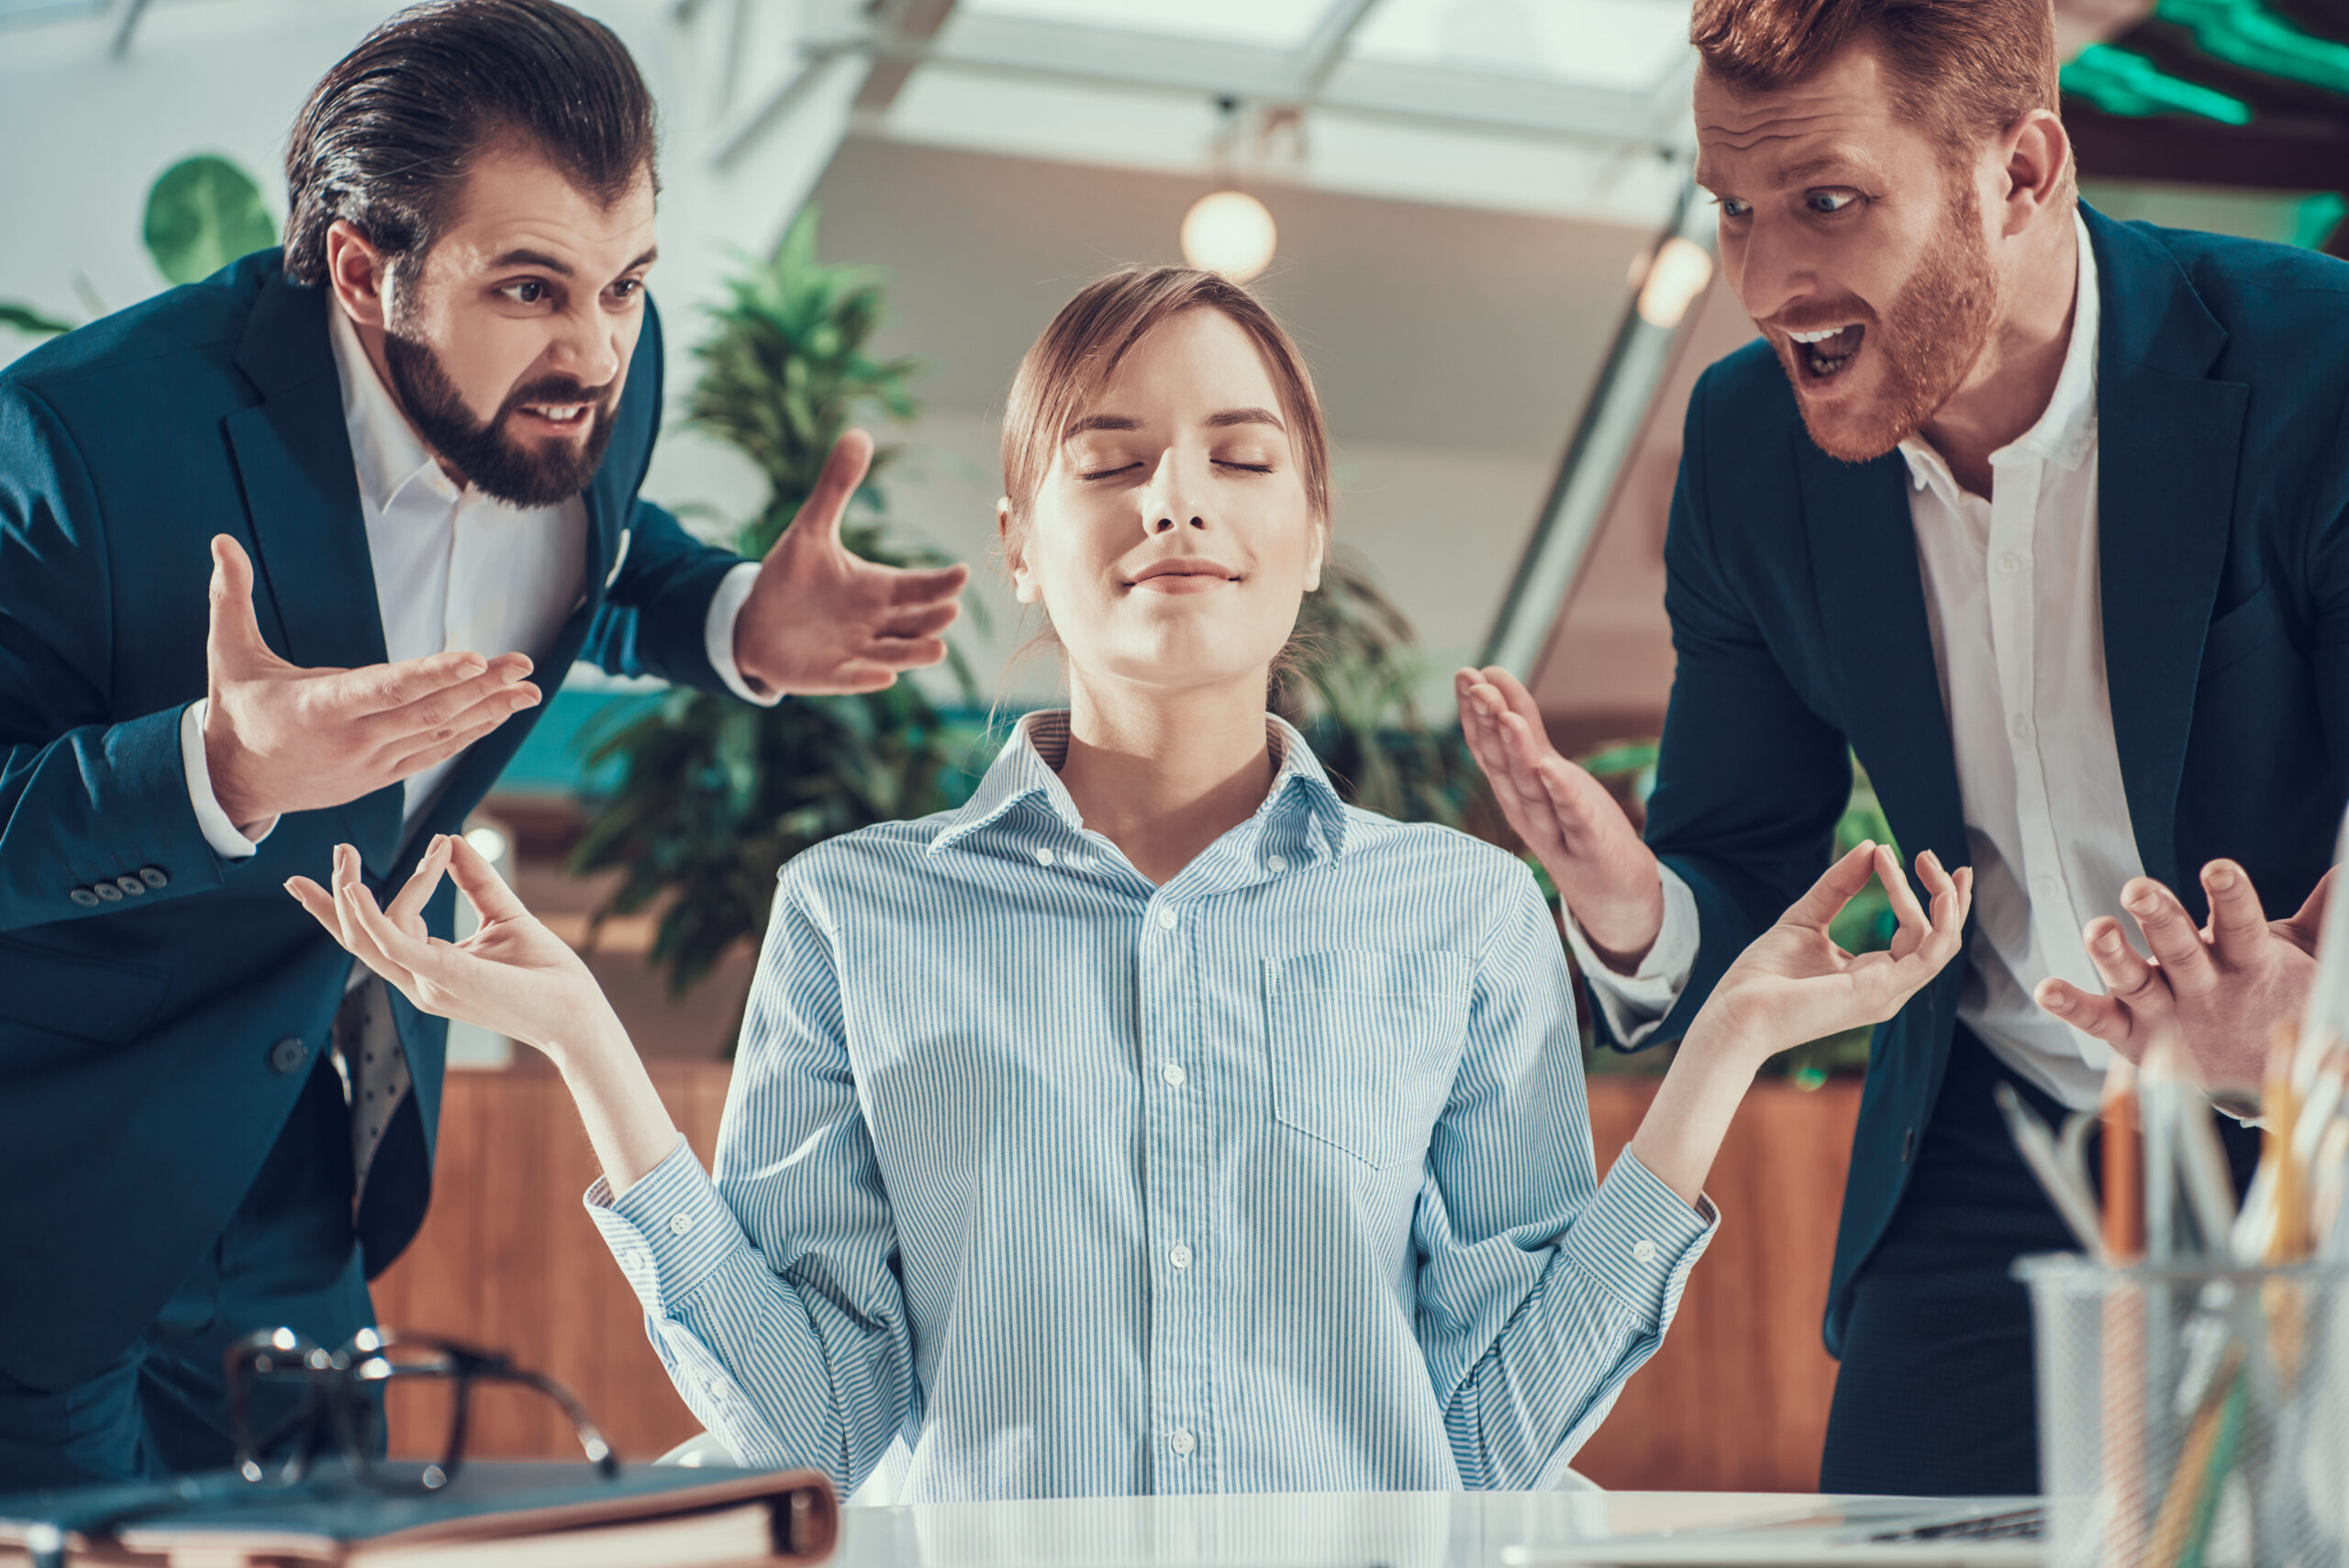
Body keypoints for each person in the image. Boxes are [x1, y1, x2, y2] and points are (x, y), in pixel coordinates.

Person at [290, 264, 1971, 1501]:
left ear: (1311, 529)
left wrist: (1722, 1049)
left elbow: (1484, 1435)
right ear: (1022, 538)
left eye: (1242, 460)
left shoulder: (1461, 920)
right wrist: (594, 1049)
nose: (1176, 499)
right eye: (1109, 461)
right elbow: (810, 1433)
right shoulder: (855, 917)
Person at [0, 0, 967, 1488]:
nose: (593, 347)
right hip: (50, 1181)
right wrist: (217, 774)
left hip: (303, 1181)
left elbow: (584, 542)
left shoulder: (586, 380)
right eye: (531, 288)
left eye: (628, 283)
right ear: (361, 269)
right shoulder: (77, 442)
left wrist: (724, 620)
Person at [1455, 0, 2349, 1497]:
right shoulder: (1751, 449)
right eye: (1734, 210)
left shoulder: (2316, 364)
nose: (1765, 280)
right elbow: (1741, 858)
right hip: (1989, 1145)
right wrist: (1631, 905)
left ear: (2022, 169)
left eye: (1827, 202)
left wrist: (2312, 1039)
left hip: (2307, 1125)